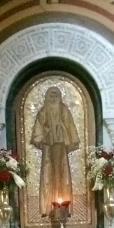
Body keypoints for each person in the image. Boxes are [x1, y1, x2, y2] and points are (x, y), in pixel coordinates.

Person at [31, 86, 79, 216]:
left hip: (61, 146)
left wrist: (62, 129)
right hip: (48, 146)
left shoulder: (64, 110)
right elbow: (37, 132)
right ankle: (47, 207)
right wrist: (45, 134)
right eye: (51, 96)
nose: (53, 99)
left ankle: (65, 208)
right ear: (47, 97)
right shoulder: (43, 112)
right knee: (48, 175)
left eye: (55, 96)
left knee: (63, 175)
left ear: (59, 97)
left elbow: (70, 127)